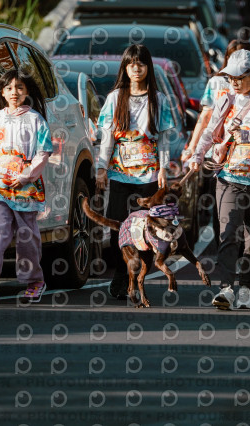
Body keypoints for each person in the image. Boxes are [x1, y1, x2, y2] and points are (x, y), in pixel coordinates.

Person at [189, 49, 250, 310]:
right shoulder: (225, 99)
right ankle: (226, 289)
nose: (233, 82)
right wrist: (197, 155)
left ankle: (247, 289)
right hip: (229, 176)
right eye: (230, 77)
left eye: (239, 77)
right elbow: (210, 131)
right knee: (228, 233)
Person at [95, 44, 175, 299]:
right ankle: (121, 274)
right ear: (125, 68)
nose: (136, 69)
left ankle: (137, 277)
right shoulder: (115, 98)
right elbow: (107, 138)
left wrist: (163, 168)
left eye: (140, 64)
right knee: (118, 227)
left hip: (149, 175)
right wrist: (101, 167)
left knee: (145, 229)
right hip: (120, 174)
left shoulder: (159, 100)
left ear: (148, 67)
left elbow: (164, 139)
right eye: (131, 64)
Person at [0, 69, 52, 303]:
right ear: (2, 92)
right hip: (1, 186)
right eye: (9, 88)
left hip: (26, 188)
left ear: (27, 91)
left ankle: (34, 281)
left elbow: (43, 152)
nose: (14, 92)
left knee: (27, 236)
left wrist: (27, 175)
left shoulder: (36, 120)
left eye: (19, 87)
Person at [182, 40, 250, 246]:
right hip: (218, 154)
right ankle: (223, 248)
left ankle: (248, 251)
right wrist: (193, 148)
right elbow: (206, 117)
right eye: (234, 56)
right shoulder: (216, 82)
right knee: (221, 204)